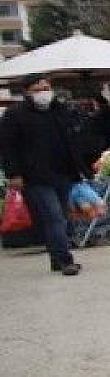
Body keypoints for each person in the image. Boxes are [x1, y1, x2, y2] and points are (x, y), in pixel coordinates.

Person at [0, 76, 86, 275]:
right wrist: (14, 173)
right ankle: (66, 260)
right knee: (54, 217)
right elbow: (8, 147)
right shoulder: (15, 115)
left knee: (61, 217)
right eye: (38, 89)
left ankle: (57, 258)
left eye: (47, 88)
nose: (44, 93)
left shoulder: (59, 110)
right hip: (35, 176)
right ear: (27, 92)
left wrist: (79, 167)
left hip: (63, 172)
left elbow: (71, 139)